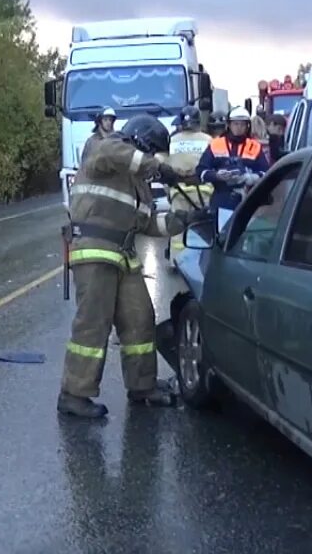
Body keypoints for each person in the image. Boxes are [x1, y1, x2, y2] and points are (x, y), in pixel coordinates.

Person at [59, 114, 206, 419]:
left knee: (140, 319)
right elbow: (120, 154)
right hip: (94, 251)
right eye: (151, 152)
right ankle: (74, 394)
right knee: (93, 323)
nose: (152, 159)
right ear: (140, 141)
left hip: (122, 254)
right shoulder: (103, 148)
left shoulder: (137, 184)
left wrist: (184, 220)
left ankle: (143, 387)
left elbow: (149, 223)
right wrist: (164, 169)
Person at [162, 106, 214, 259]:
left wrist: (169, 192)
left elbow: (165, 168)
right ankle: (203, 260)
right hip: (204, 190)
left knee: (178, 226)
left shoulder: (172, 140)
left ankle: (176, 260)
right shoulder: (208, 140)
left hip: (179, 190)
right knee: (203, 226)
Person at [195, 106, 269, 211]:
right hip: (222, 198)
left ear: (248, 126)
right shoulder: (216, 144)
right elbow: (200, 171)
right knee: (222, 227)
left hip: (248, 198)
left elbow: (266, 172)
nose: (239, 127)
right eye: (236, 124)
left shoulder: (255, 146)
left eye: (242, 124)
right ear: (229, 125)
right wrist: (217, 176)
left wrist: (251, 177)